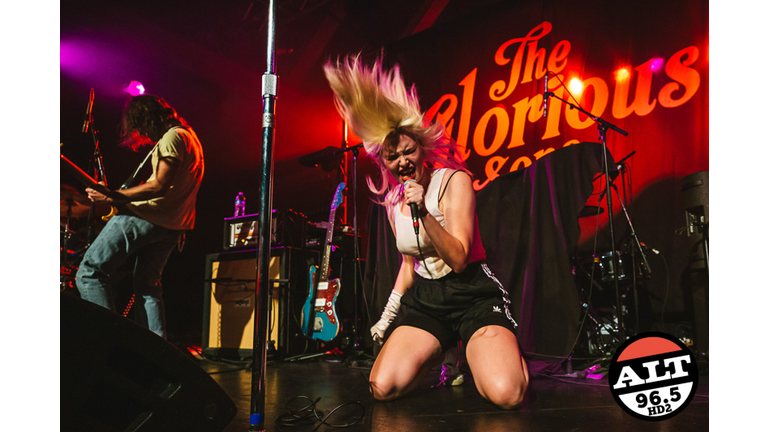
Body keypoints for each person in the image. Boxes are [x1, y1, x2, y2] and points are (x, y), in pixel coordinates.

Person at [324, 55, 528, 409]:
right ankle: (439, 353)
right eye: (393, 157)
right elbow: (408, 265)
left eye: (409, 151)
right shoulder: (392, 203)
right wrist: (386, 318)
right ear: (383, 162)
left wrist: (423, 212)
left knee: (506, 395)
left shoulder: (453, 181)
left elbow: (460, 259)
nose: (403, 161)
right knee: (381, 387)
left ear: (422, 149)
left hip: (472, 295)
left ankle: (484, 351)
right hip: (429, 300)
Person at [76, 95, 204, 340]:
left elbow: (160, 186)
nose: (141, 133)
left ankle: (110, 342)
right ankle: (155, 353)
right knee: (148, 288)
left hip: (146, 218)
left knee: (90, 272)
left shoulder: (172, 138)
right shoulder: (190, 137)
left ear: (146, 120)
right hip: (173, 226)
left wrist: (114, 196)